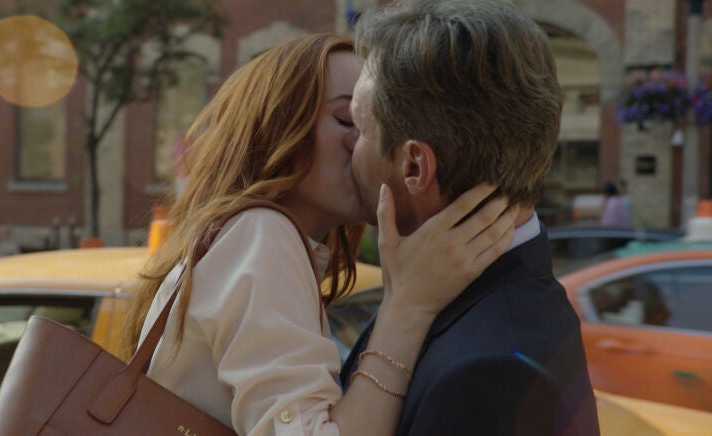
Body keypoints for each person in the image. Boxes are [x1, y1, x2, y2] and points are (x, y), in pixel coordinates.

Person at [122, 34, 517, 435]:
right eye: (347, 120)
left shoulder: (252, 237)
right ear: (277, 128)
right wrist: (408, 305)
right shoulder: (262, 234)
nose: (364, 144)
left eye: (377, 125)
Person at [344, 1, 600, 434]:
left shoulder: (488, 376)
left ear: (414, 167)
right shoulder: (502, 301)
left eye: (357, 128)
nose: (348, 145)